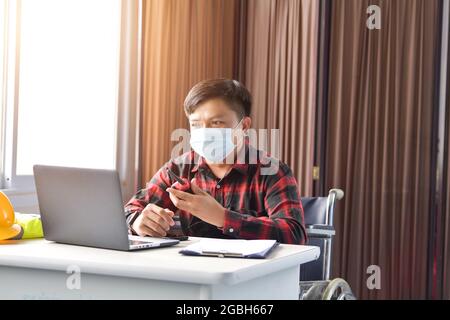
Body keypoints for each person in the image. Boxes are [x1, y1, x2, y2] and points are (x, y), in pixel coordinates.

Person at [124, 79, 306, 244]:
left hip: (252, 275)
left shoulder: (271, 170)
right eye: (196, 124)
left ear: (244, 126)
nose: (204, 132)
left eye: (216, 122)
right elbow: (128, 211)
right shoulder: (179, 169)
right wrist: (138, 221)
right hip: (192, 272)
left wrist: (222, 217)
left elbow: (294, 234)